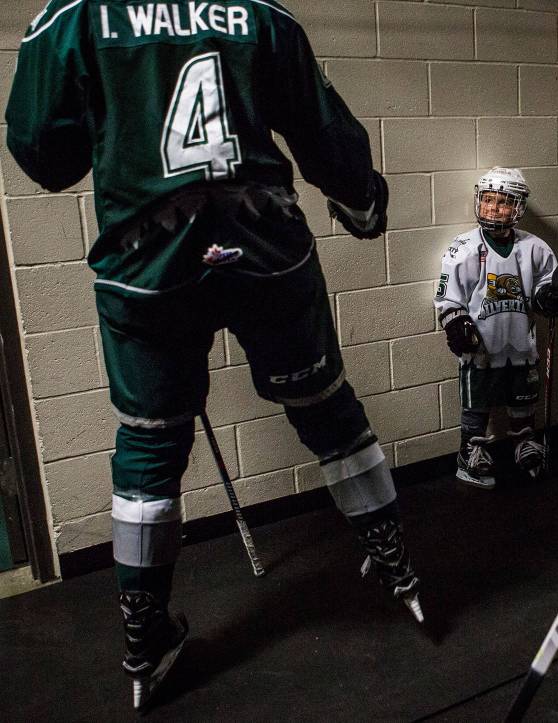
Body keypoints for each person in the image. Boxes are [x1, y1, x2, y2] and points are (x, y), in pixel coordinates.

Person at [6, 0, 423, 710]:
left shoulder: (72, 15)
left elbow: (44, 153)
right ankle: (398, 566)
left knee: (148, 444)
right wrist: (363, 203)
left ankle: (144, 639)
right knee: (326, 407)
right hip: (264, 241)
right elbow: (323, 130)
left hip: (147, 261)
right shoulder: (260, 14)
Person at [433, 168, 558, 489]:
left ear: (517, 207)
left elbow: (543, 289)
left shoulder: (535, 248)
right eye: (489, 200)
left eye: (503, 202)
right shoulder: (463, 247)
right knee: (477, 401)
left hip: (520, 343)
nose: (494, 208)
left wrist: (549, 298)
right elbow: (448, 296)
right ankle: (471, 451)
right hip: (480, 346)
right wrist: (456, 323)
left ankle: (524, 443)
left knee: (523, 397)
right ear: (479, 201)